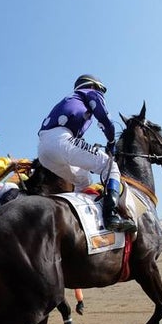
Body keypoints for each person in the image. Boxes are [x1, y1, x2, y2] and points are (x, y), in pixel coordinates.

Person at [37, 74, 136, 232]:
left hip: (43, 150)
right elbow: (105, 120)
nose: (101, 94)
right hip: (61, 140)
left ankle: (78, 222)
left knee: (83, 180)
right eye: (101, 90)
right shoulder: (90, 93)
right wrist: (111, 143)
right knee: (110, 166)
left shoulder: (70, 99)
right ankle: (111, 215)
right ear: (94, 86)